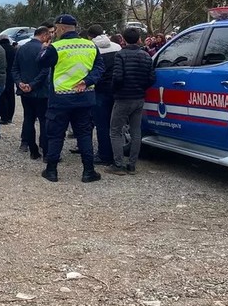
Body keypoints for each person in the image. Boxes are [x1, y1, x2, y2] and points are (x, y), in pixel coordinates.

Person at [37, 14, 104, 183]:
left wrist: (45, 47)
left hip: (60, 99)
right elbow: (99, 67)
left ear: (60, 28)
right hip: (84, 97)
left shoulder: (56, 47)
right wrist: (87, 81)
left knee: (56, 135)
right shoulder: (90, 45)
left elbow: (41, 63)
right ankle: (88, 171)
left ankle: (51, 171)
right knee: (84, 134)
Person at [109, 28, 156, 175]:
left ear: (123, 39)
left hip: (123, 97)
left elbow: (117, 77)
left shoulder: (120, 55)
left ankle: (118, 164)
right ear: (139, 39)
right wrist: (141, 88)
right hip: (139, 97)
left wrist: (115, 90)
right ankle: (132, 165)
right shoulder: (146, 56)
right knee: (136, 131)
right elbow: (151, 78)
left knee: (115, 131)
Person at [11, 26, 50, 160]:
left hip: (25, 92)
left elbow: (14, 69)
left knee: (28, 119)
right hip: (41, 91)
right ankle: (46, 150)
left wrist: (20, 83)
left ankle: (33, 150)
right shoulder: (43, 49)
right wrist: (32, 85)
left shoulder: (21, 48)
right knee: (44, 121)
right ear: (44, 35)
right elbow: (45, 71)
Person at [87, 24, 121, 166]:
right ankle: (116, 153)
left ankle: (104, 154)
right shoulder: (117, 47)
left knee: (102, 124)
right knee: (116, 125)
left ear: (90, 36)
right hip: (116, 89)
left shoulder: (90, 47)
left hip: (99, 89)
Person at [0, 34, 17, 125]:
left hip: (1, 74)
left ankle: (3, 117)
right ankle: (10, 116)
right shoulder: (13, 49)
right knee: (11, 96)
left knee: (2, 96)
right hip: (11, 75)